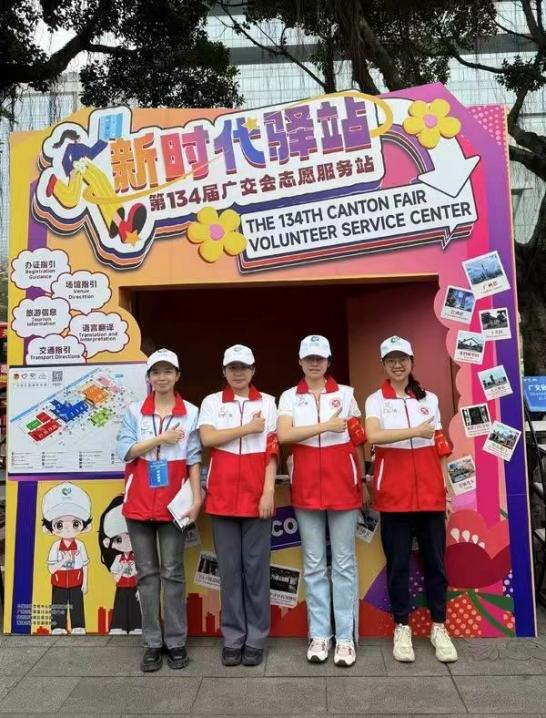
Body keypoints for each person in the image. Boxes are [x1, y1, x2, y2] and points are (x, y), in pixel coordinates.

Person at [364, 335, 457, 664]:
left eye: (402, 359)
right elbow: (373, 435)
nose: (397, 365)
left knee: (436, 565)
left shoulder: (429, 399)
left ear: (411, 362)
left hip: (430, 495)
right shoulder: (375, 400)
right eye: (391, 360)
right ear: (384, 365)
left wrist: (446, 490)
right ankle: (401, 627)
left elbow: (440, 446)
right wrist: (414, 432)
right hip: (394, 497)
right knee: (398, 566)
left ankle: (439, 626)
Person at [277, 335, 367, 667]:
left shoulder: (347, 395)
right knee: (314, 564)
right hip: (306, 488)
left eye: (320, 358)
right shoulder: (289, 396)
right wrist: (325, 426)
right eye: (309, 358)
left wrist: (362, 481)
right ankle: (319, 635)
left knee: (344, 563)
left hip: (343, 486)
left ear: (328, 361)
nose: (315, 363)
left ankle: (344, 638)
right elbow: (284, 435)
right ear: (300, 362)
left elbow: (358, 440)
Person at [117, 348, 202, 672]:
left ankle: (176, 642)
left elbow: (194, 458)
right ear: (149, 377)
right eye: (156, 372)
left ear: (177, 376)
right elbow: (125, 450)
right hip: (138, 502)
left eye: (168, 371)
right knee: (147, 574)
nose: (162, 377)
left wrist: (196, 499)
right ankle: (152, 643)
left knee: (173, 572)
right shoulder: (134, 411)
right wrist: (161, 439)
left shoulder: (191, 412)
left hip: (174, 504)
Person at [198, 344, 278, 667]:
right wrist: (247, 428)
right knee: (229, 572)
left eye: (244, 367)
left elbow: (272, 449)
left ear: (253, 370)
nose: (239, 373)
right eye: (233, 367)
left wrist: (268, 491)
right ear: (224, 371)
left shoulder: (268, 402)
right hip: (221, 497)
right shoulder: (211, 402)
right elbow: (207, 438)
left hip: (257, 498)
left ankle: (256, 638)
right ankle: (233, 637)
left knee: (256, 570)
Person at [42, 482, 92, 635]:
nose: (68, 527)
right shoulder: (56, 546)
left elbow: (85, 565)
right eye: (59, 524)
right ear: (48, 529)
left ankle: (78, 625)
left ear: (85, 526)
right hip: (59, 580)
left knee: (77, 604)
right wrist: (63, 561)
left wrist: (85, 582)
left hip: (77, 579)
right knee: (59, 603)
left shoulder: (80, 545)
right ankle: (58, 626)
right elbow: (51, 569)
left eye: (75, 523)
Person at [98, 495, 142, 635]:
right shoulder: (117, 558)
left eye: (131, 537)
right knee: (120, 606)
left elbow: (142, 573)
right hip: (121, 587)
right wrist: (123, 568)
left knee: (136, 607)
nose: (127, 542)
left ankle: (137, 626)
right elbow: (116, 578)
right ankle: (118, 626)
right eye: (119, 539)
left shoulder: (139, 557)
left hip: (135, 586)